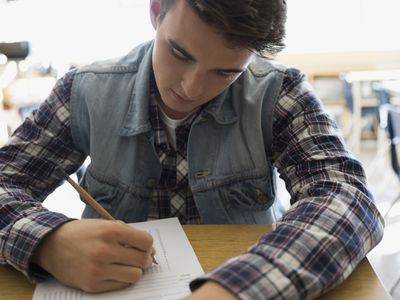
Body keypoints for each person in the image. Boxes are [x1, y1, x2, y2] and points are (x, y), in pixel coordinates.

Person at [0, 0, 384, 299]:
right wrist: (47, 241)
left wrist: (234, 291)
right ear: (155, 11)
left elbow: (347, 198)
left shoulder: (279, 93)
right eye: (180, 54)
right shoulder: (83, 92)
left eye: (225, 72)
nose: (191, 87)